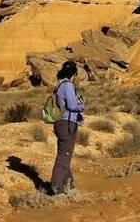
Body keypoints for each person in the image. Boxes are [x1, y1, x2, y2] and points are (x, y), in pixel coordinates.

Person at [49, 60, 85, 195]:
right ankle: (56, 188)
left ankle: (69, 185)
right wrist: (81, 105)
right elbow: (71, 105)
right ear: (73, 73)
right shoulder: (68, 85)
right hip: (68, 123)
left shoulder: (59, 85)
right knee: (64, 155)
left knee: (64, 154)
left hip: (60, 122)